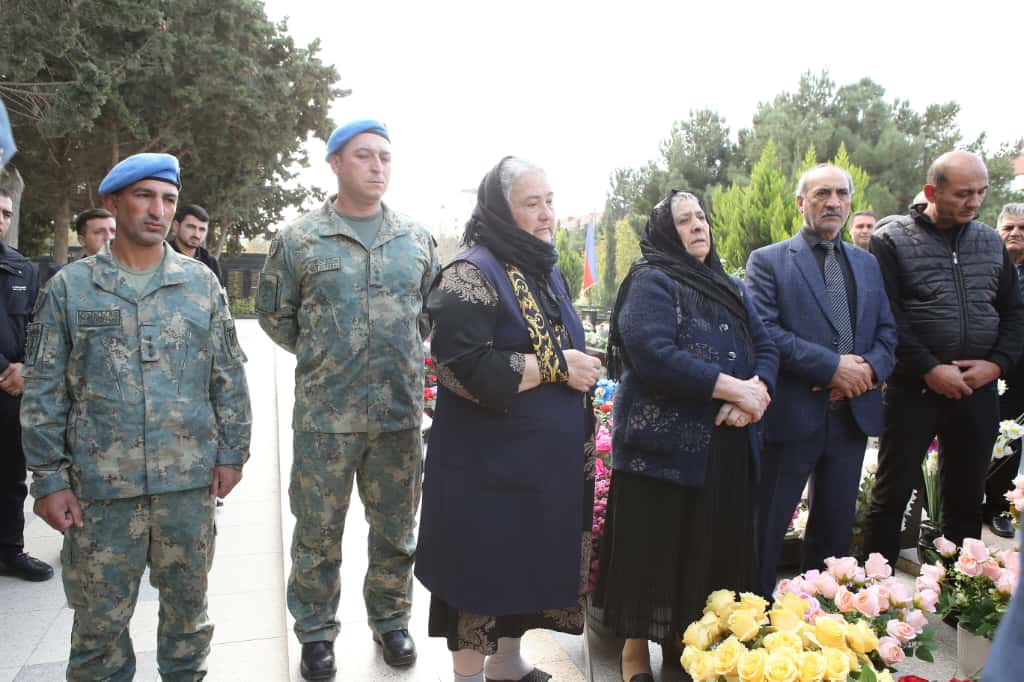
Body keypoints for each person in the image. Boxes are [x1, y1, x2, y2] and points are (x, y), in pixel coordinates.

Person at [20, 152, 253, 680]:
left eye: (168, 199)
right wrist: (49, 479)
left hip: (186, 487)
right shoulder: (70, 288)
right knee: (98, 630)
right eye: (144, 196)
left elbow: (227, 375)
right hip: (101, 492)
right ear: (113, 202)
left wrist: (232, 453)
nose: (158, 210)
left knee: (188, 621)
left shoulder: (200, 283)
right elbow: (44, 389)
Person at [257, 119, 439, 679]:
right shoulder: (299, 239)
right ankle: (315, 632)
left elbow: (428, 315)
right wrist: (327, 355)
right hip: (325, 418)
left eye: (385, 156)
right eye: (364, 156)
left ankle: (391, 619)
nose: (377, 166)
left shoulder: (415, 238)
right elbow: (275, 315)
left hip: (397, 416)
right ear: (335, 163)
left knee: (396, 530)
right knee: (317, 532)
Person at [415, 157, 602, 682]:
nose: (546, 214)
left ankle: (506, 665)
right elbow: (460, 366)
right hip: (486, 467)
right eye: (531, 203)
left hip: (536, 467)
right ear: (500, 210)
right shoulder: (470, 273)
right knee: (479, 572)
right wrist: (557, 366)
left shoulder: (543, 266)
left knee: (521, 566)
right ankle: (469, 676)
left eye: (550, 201)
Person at [594, 189, 778, 682]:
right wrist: (733, 388)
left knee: (709, 555)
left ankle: (693, 647)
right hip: (661, 453)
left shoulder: (731, 286)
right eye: (683, 220)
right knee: (652, 555)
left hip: (725, 447)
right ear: (664, 232)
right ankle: (634, 653)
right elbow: (652, 353)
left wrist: (758, 391)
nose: (698, 226)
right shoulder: (651, 280)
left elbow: (766, 346)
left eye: (701, 217)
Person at [864, 151, 1024, 566]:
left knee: (966, 498)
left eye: (982, 192)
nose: (976, 202)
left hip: (977, 389)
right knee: (891, 495)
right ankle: (874, 588)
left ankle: (954, 589)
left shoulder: (989, 241)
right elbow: (888, 315)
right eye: (964, 193)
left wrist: (996, 364)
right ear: (932, 192)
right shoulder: (890, 240)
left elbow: (1014, 311)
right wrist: (929, 368)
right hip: (913, 390)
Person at [745, 165, 897, 597]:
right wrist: (832, 368)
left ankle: (819, 618)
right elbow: (764, 331)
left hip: (850, 418)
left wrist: (866, 371)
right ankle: (750, 616)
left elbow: (888, 332)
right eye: (822, 193)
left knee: (833, 534)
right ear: (801, 202)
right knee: (765, 530)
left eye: (842, 194)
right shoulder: (769, 260)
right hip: (791, 417)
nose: (834, 202)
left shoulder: (867, 264)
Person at [0, 187, 51, 582]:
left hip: (10, 392)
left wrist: (27, 369)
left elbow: (39, 327)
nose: (1, 219)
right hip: (6, 377)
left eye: (6, 213)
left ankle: (10, 551)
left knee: (11, 476)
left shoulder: (22, 269)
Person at [984, 203, 1024, 538]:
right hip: (979, 366)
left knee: (1010, 438)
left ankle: (998, 506)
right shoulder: (983, 266)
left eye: (1022, 228)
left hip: (1018, 373)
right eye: (1009, 227)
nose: (1015, 233)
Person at [169, 204, 224, 286]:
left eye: (202, 229)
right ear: (176, 226)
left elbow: (218, 292)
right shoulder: (162, 256)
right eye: (191, 227)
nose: (196, 235)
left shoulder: (210, 262)